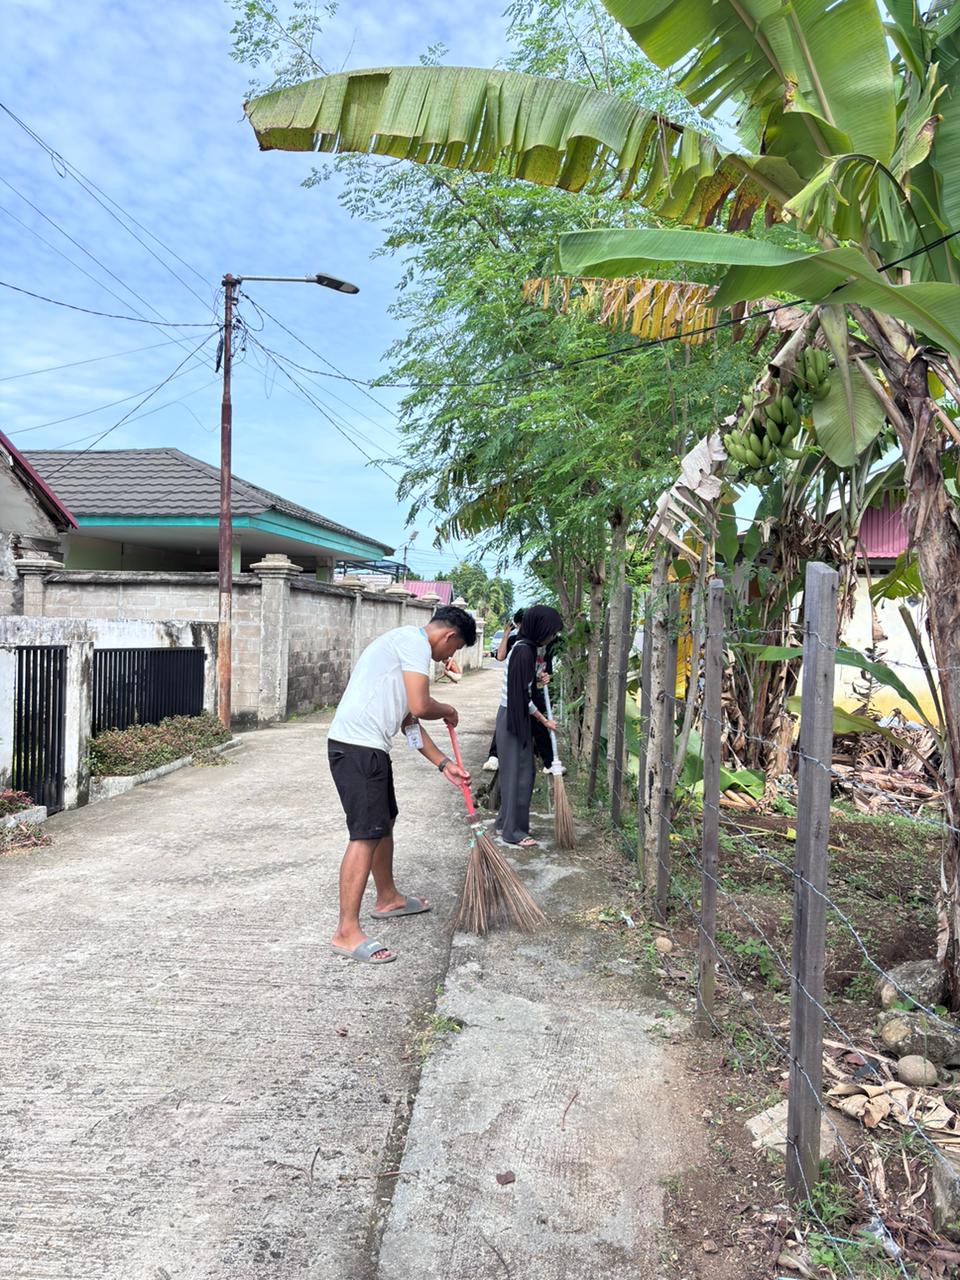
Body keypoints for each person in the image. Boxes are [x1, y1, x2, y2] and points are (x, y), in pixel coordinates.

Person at [327, 605, 477, 964]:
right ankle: (346, 931)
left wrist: (444, 764)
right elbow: (422, 705)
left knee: (384, 823)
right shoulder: (415, 644)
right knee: (365, 834)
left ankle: (388, 897)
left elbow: (409, 720)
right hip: (357, 749)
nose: (447, 658)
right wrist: (447, 710)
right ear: (449, 636)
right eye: (452, 651)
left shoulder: (403, 646)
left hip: (367, 748)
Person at [496, 604, 563, 847]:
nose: (553, 636)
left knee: (516, 772)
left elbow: (524, 685)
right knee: (520, 775)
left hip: (511, 715)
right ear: (540, 628)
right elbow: (522, 697)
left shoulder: (526, 648)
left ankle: (505, 822)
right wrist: (543, 720)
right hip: (514, 716)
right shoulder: (524, 651)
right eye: (551, 631)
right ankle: (513, 832)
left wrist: (539, 677)